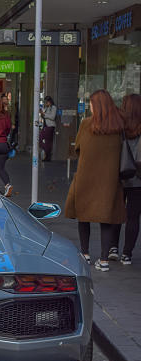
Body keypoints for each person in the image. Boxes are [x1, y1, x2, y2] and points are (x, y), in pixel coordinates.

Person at [64, 89, 126, 272]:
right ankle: (104, 260)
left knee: (84, 216)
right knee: (106, 218)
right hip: (109, 180)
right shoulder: (118, 127)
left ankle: (85, 253)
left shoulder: (86, 124)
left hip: (86, 178)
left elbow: (78, 148)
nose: (90, 106)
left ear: (96, 106)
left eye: (91, 103)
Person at [110, 94, 141, 265]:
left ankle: (113, 247)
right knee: (133, 217)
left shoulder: (119, 127)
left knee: (117, 212)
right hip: (138, 178)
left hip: (120, 174)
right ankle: (127, 254)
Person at [39, 96, 57, 161]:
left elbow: (52, 117)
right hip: (45, 126)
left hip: (50, 126)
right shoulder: (46, 108)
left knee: (48, 142)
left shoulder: (53, 107)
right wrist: (42, 114)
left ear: (49, 101)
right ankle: (47, 151)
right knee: (40, 138)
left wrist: (44, 114)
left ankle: (48, 156)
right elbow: (44, 116)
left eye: (46, 102)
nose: (45, 103)